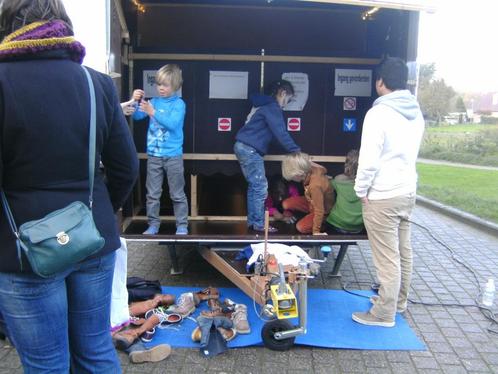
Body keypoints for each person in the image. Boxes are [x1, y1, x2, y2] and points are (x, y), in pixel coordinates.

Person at [0, 0, 139, 372]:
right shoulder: (97, 84)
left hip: (21, 252)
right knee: (95, 350)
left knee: (47, 363)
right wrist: (98, 213)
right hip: (91, 239)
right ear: (63, 25)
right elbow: (125, 169)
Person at [352, 57, 424, 327]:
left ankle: (383, 313)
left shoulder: (379, 113)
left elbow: (369, 159)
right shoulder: (415, 111)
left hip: (382, 195)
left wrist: (360, 189)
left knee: (387, 258)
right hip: (407, 192)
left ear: (380, 81)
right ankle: (398, 301)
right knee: (403, 251)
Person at [234, 79, 300, 233]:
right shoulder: (273, 108)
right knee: (261, 187)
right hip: (249, 149)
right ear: (283, 93)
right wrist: (296, 150)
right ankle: (258, 224)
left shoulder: (264, 106)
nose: (285, 105)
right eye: (288, 100)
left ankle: (253, 222)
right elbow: (281, 133)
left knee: (254, 186)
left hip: (243, 146)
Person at [131, 64, 189, 235]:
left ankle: (182, 225)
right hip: (154, 156)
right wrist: (135, 100)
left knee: (177, 194)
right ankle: (153, 225)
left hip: (173, 156)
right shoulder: (154, 102)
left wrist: (153, 112)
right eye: (159, 84)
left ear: (176, 86)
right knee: (152, 194)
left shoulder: (179, 104)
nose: (161, 88)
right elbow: (136, 116)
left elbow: (172, 124)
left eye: (166, 85)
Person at [281, 152, 334, 235]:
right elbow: (320, 167)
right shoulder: (309, 168)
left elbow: (320, 210)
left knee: (301, 227)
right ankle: (309, 218)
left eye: (292, 177)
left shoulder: (315, 185)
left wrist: (316, 231)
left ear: (299, 174)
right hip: (311, 202)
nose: (291, 180)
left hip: (322, 211)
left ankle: (323, 225)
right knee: (286, 204)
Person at [324, 149, 364, 234]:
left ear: (347, 164)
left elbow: (328, 187)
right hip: (359, 225)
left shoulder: (339, 180)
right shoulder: (369, 183)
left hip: (337, 222)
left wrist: (326, 179)